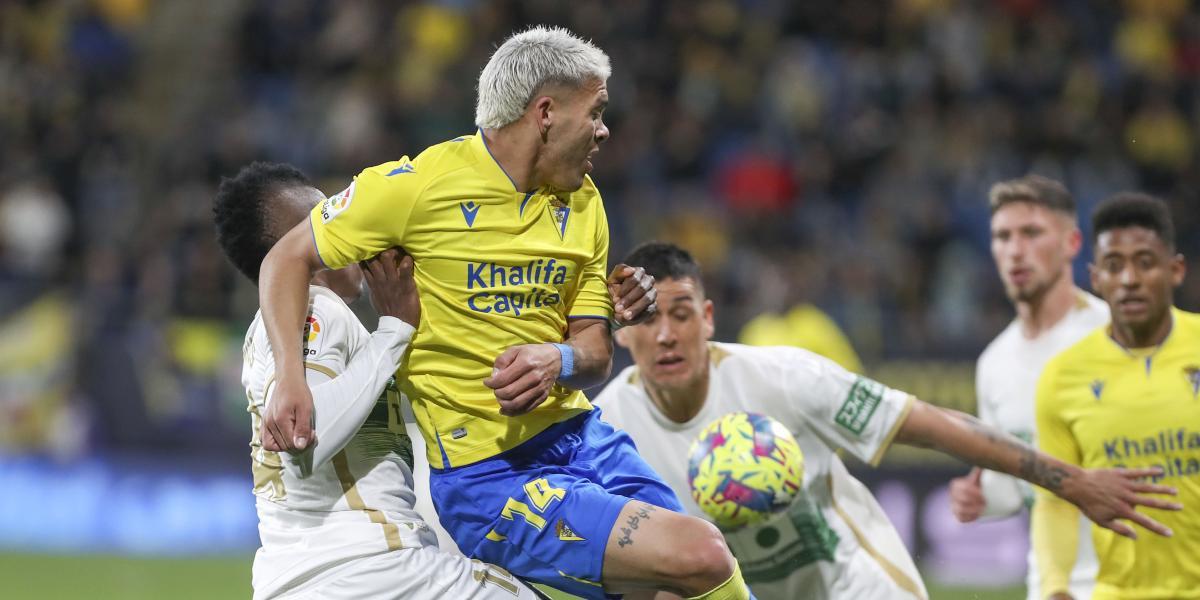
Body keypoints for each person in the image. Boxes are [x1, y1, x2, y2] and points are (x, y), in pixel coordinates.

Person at [255, 27, 754, 600]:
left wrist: (557, 358)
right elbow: (285, 258)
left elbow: (594, 354)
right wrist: (290, 377)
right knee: (703, 555)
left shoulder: (585, 204)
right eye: (596, 111)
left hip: (582, 439)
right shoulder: (415, 188)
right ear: (545, 112)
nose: (604, 129)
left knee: (678, 585)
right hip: (489, 477)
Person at [594, 241, 1180, 600]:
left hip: (856, 586)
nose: (666, 334)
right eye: (646, 319)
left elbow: (931, 424)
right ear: (621, 333)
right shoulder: (604, 432)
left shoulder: (785, 376)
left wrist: (1071, 481)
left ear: (709, 317)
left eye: (681, 313)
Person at [213, 162, 546, 599]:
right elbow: (303, 444)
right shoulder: (317, 311)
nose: (349, 228)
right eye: (325, 218)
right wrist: (393, 330)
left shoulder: (279, 329)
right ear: (298, 247)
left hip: (310, 578)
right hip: (367, 572)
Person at [947, 175, 1108, 599]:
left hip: (1135, 585)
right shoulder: (994, 364)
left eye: (1031, 233)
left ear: (1072, 243)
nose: (1015, 249)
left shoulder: (1116, 337)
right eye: (1002, 236)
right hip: (1050, 589)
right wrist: (979, 498)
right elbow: (1014, 488)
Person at [1033, 193, 1200, 600]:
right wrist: (1055, 586)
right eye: (1114, 265)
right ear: (1095, 278)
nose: (1129, 279)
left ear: (1175, 270)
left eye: (1145, 263)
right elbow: (1055, 500)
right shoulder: (1062, 377)